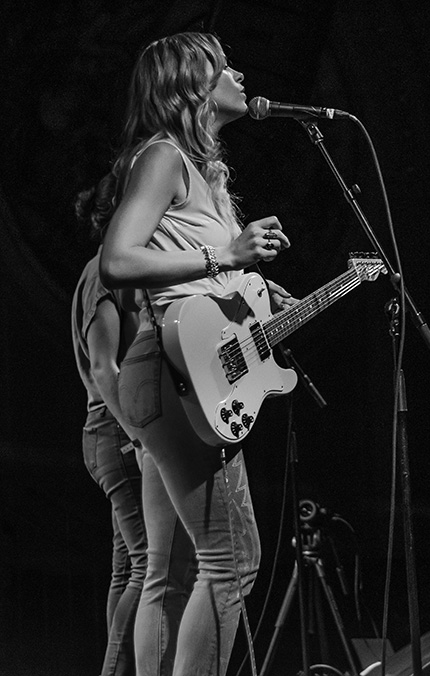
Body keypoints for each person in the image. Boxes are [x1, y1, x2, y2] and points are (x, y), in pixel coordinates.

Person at [99, 32, 294, 676]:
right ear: (191, 86)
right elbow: (119, 259)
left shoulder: (204, 173)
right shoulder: (163, 157)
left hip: (188, 368)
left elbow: (204, 290)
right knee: (231, 561)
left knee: (189, 565)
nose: (239, 72)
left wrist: (251, 290)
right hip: (170, 367)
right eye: (222, 65)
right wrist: (224, 255)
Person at [72, 173, 147, 676]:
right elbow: (104, 368)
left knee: (127, 566)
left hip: (107, 431)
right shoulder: (103, 274)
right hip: (113, 429)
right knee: (147, 564)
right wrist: (140, 435)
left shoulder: (106, 274)